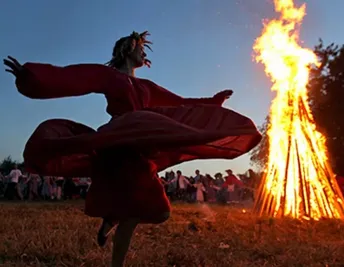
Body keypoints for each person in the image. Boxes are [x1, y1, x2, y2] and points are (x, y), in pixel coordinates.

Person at [3, 30, 261, 266]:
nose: (144, 53)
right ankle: (116, 250)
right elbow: (70, 77)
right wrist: (31, 75)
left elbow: (179, 103)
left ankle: (113, 218)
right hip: (118, 145)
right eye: (140, 47)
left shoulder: (146, 87)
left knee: (158, 212)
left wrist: (214, 102)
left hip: (139, 149)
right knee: (147, 209)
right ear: (127, 50)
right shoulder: (108, 76)